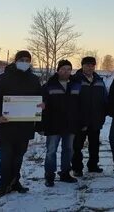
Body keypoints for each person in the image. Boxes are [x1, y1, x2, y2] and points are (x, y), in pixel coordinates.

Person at [0, 50, 43, 199]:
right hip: (7, 126)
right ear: (16, 60)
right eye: (22, 59)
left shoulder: (34, 79)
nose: (25, 62)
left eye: (27, 60)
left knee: (18, 158)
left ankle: (15, 182)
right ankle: (3, 186)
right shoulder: (4, 78)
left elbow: (40, 98)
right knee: (6, 158)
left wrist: (41, 105)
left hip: (24, 127)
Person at [40, 59, 82, 187]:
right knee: (51, 151)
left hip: (70, 124)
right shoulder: (49, 85)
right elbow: (42, 105)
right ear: (58, 70)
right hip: (53, 124)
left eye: (69, 69)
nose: (66, 71)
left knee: (68, 150)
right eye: (63, 69)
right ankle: (49, 176)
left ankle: (65, 173)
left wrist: (80, 122)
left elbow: (81, 105)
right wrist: (41, 125)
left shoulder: (76, 85)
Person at [71, 56, 108, 177]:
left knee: (94, 145)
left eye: (92, 65)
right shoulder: (75, 80)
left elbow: (104, 99)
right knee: (77, 146)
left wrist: (103, 115)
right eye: (87, 65)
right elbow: (72, 101)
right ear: (82, 66)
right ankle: (77, 168)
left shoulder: (99, 80)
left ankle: (93, 165)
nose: (89, 67)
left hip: (96, 119)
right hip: (80, 120)